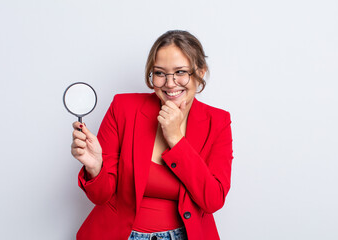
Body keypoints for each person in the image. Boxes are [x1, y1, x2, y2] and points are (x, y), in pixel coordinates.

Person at [71, 30, 233, 240]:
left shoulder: (218, 122)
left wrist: (176, 140)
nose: (170, 83)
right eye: (159, 73)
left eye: (180, 72)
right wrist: (95, 168)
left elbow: (213, 200)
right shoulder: (123, 108)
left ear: (200, 72)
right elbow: (100, 197)